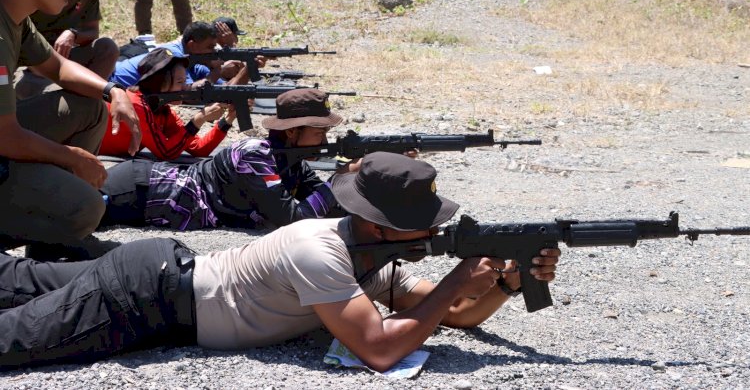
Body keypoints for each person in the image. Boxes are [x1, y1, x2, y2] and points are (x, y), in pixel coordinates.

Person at [0, 152, 561, 371]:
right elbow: (382, 350)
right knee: (13, 341)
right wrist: (460, 275)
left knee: (14, 278)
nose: (435, 228)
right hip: (145, 300)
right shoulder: (320, 251)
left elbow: (455, 316)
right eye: (423, 220)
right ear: (378, 222)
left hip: (159, 273)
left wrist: (503, 285)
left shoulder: (368, 253)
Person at [0, 0, 140, 260]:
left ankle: (49, 232)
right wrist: (72, 159)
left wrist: (113, 92)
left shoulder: (15, 17)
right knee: (85, 207)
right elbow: (5, 137)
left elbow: (58, 66)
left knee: (90, 108)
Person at [99, 88, 347, 230]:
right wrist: (338, 179)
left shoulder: (292, 162)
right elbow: (293, 219)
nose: (324, 141)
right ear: (292, 132)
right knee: (69, 214)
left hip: (148, 197)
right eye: (319, 133)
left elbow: (328, 205)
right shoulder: (256, 155)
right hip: (140, 190)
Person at [15, 0, 125, 100]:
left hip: (62, 59)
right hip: (30, 62)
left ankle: (88, 99)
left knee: (108, 47)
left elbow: (93, 31)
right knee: (52, 96)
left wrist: (72, 33)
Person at [99, 48, 236, 160]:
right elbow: (166, 153)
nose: (185, 87)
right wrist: (199, 119)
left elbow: (198, 148)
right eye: (180, 82)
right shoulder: (136, 105)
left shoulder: (162, 110)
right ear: (160, 83)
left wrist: (227, 120)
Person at [111, 21, 247, 87]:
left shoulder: (193, 57)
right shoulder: (173, 56)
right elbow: (188, 92)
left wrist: (244, 71)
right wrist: (216, 71)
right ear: (192, 45)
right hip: (111, 82)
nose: (214, 51)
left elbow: (220, 87)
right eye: (210, 47)